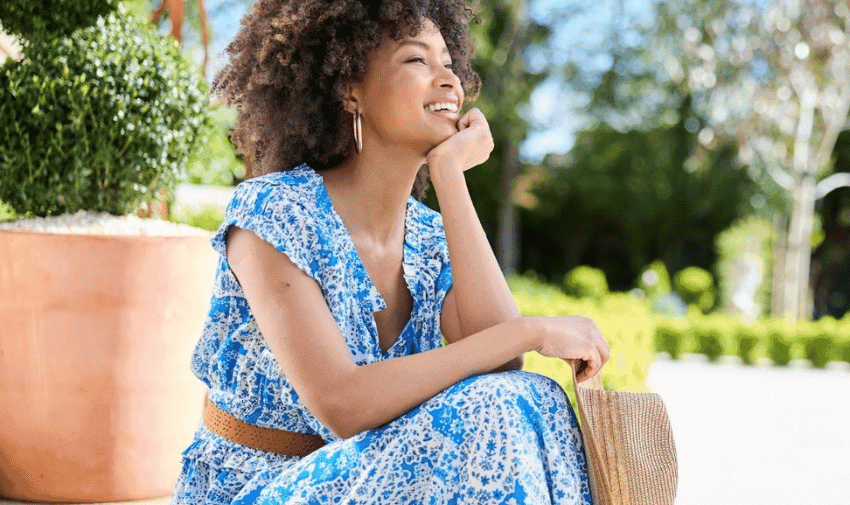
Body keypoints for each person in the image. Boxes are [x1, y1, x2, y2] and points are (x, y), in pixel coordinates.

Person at [172, 0, 610, 503]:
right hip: (259, 485)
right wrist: (533, 329)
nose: (447, 79)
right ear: (350, 91)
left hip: (378, 478)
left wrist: (450, 177)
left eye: (448, 61)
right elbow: (342, 405)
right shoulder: (275, 212)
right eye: (416, 59)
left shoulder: (429, 239)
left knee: (531, 398)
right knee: (495, 408)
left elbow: (503, 369)